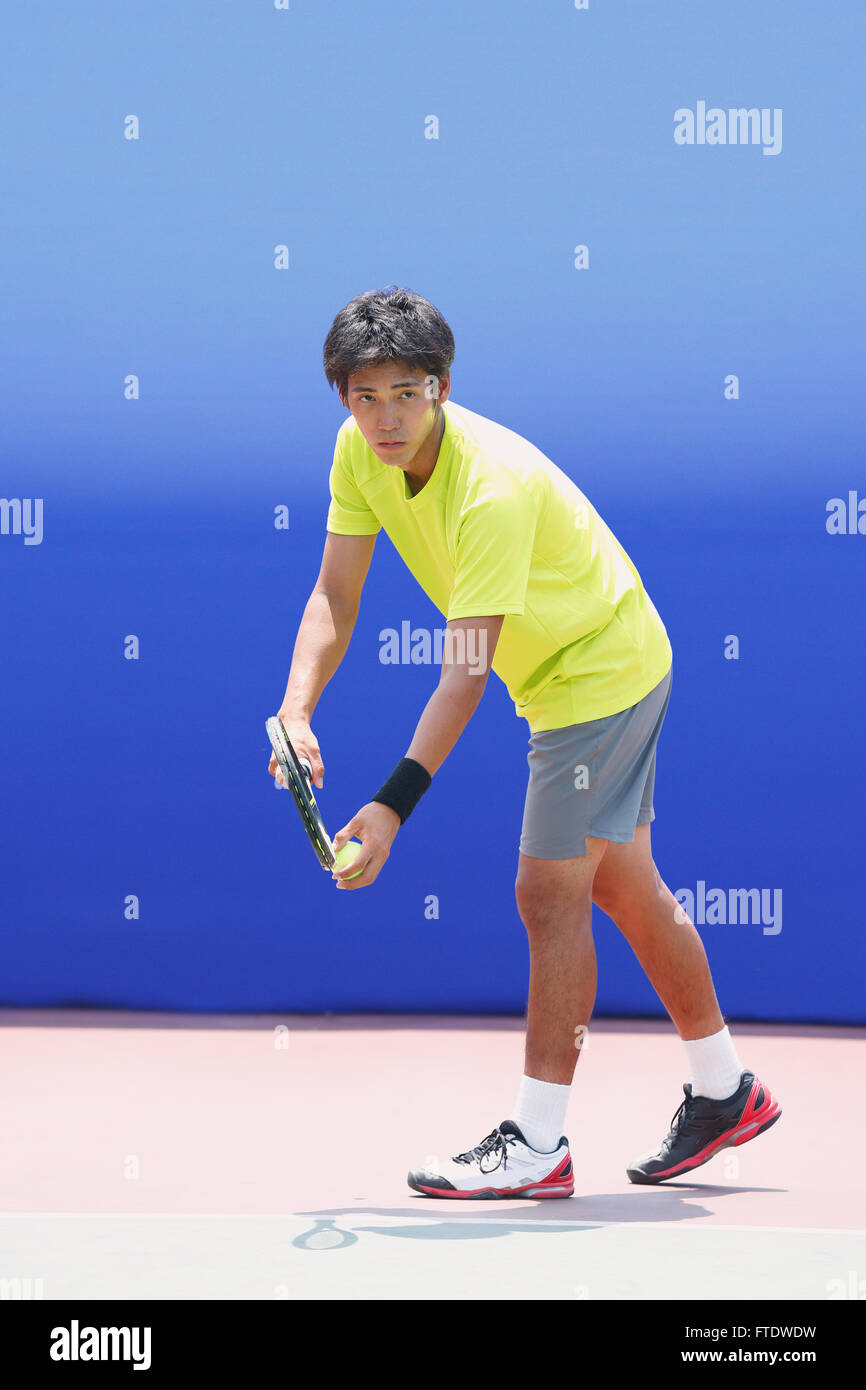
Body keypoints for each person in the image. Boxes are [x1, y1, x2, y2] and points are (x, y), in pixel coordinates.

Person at [269, 285, 781, 1199]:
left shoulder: (489, 489)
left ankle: (539, 1141)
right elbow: (335, 599)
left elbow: (464, 667)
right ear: (344, 398)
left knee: (547, 892)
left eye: (406, 393)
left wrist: (390, 807)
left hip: (600, 667)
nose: (385, 417)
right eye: (364, 396)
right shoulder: (358, 453)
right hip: (579, 663)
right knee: (622, 882)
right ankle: (725, 1090)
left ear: (443, 386)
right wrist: (297, 708)